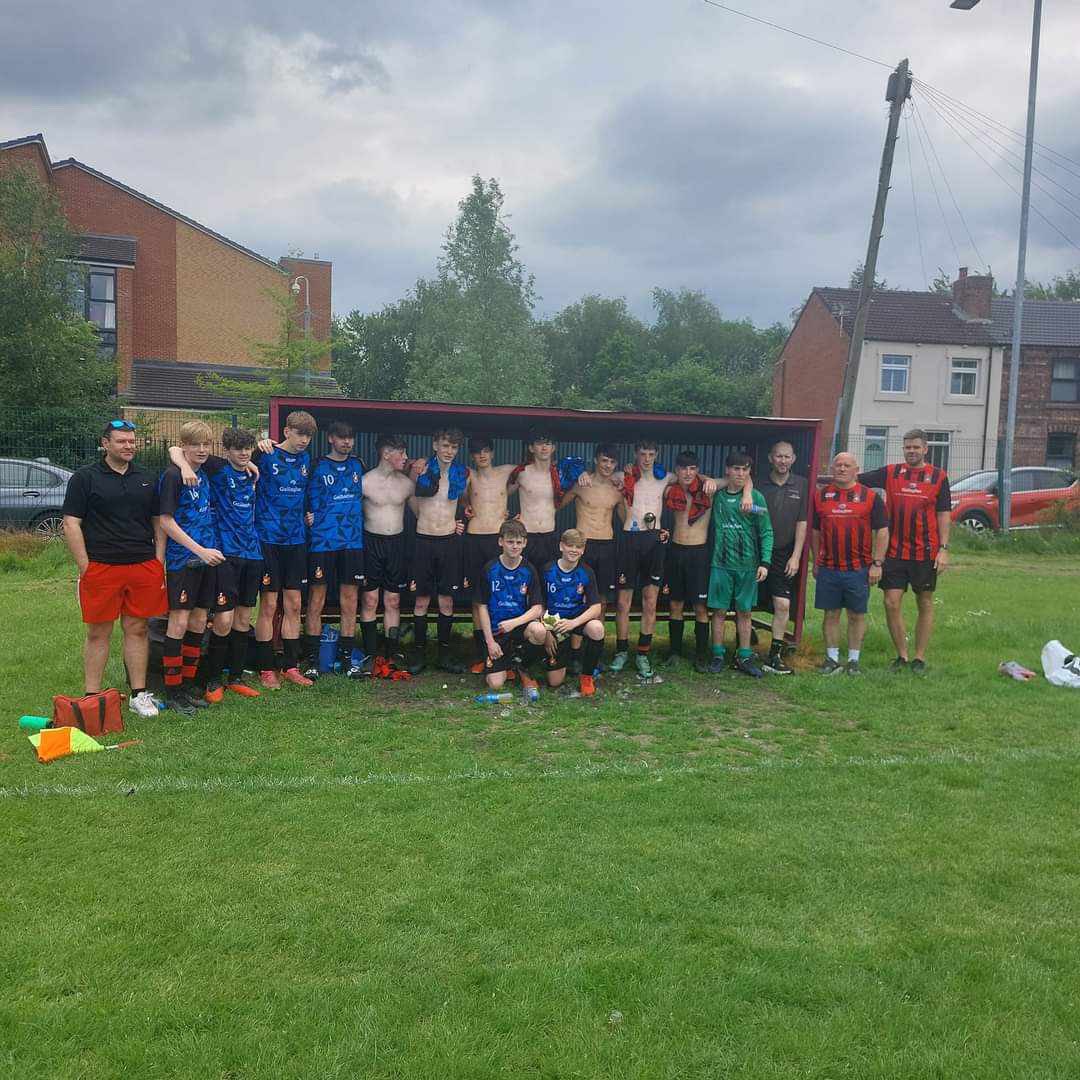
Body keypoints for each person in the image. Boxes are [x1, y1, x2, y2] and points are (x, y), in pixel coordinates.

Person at [62, 419, 167, 719]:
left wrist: (158, 560)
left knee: (138, 628)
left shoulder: (147, 478)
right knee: (99, 632)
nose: (129, 446)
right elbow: (71, 523)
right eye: (121, 441)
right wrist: (85, 566)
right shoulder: (85, 478)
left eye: (132, 441)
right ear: (105, 443)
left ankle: (138, 694)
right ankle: (91, 697)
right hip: (102, 567)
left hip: (142, 566)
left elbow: (158, 521)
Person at [169, 427, 263, 702]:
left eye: (247, 448)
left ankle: (235, 676)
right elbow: (176, 449)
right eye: (238, 449)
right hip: (224, 553)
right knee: (223, 618)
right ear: (226, 451)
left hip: (253, 552)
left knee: (244, 618)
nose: (244, 453)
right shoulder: (216, 467)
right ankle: (213, 679)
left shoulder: (252, 470)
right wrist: (184, 465)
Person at [859, 429, 951, 674]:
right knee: (891, 602)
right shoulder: (891, 472)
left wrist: (943, 549)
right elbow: (855, 479)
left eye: (916, 447)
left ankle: (919, 658)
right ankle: (901, 655)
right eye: (908, 447)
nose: (911, 451)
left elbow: (943, 514)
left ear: (925, 449)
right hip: (894, 552)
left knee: (924, 602)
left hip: (925, 552)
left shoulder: (939, 477)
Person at [155, 420, 226, 713]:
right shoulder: (173, 476)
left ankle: (188, 684)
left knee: (199, 621)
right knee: (179, 622)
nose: (201, 450)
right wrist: (199, 550)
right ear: (184, 446)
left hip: (207, 560)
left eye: (206, 444)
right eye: (194, 444)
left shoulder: (205, 470)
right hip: (184, 560)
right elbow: (165, 521)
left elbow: (238, 457)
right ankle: (172, 691)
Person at [253, 411, 317, 689]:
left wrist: (307, 513)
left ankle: (291, 665)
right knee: (268, 605)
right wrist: (258, 443)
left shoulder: (305, 460)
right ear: (287, 431)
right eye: (300, 434)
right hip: (268, 540)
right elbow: (237, 461)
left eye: (309, 436)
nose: (304, 440)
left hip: (296, 541)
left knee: (293, 604)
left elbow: (304, 494)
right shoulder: (265, 454)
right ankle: (266, 668)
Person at [811, 452, 889, 674]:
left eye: (847, 465)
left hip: (858, 568)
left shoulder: (871, 497)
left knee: (856, 614)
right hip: (829, 567)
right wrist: (815, 560)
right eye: (838, 465)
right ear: (832, 468)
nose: (842, 469)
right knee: (831, 614)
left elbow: (882, 531)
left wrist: (877, 563)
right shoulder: (821, 496)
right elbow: (815, 532)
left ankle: (854, 661)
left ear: (856, 470)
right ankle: (832, 659)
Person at [301, 421, 366, 680]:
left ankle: (348, 661)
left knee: (350, 600)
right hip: (322, 543)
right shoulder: (316, 465)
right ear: (330, 439)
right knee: (316, 600)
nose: (347, 442)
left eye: (350, 438)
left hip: (352, 543)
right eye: (342, 438)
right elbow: (300, 497)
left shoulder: (358, 465)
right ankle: (313, 661)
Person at [707, 451, 773, 678]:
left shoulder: (756, 498)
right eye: (736, 469)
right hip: (721, 565)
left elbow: (766, 529)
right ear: (727, 470)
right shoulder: (718, 495)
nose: (741, 473)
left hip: (747, 566)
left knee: (744, 613)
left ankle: (744, 656)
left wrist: (765, 562)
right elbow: (704, 481)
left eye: (745, 469)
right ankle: (717, 655)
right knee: (719, 612)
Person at [408, 427, 468, 674]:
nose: (449, 451)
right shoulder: (421, 469)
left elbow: (463, 500)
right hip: (423, 540)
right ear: (435, 445)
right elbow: (409, 495)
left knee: (446, 600)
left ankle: (444, 654)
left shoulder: (461, 473)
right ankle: (419, 654)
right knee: (421, 599)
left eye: (453, 447)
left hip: (448, 542)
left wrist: (460, 519)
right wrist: (421, 517)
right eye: (445, 445)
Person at [560, 443, 625, 667]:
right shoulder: (582, 483)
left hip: (606, 545)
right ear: (596, 459)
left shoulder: (617, 489)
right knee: (580, 597)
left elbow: (627, 521)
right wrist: (574, 475)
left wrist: (626, 489)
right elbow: (556, 504)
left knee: (602, 601)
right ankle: (576, 654)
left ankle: (595, 651)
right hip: (583, 546)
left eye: (612, 462)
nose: (607, 465)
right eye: (604, 460)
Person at [611, 439, 670, 679]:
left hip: (654, 540)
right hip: (629, 539)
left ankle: (643, 653)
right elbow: (600, 474)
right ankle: (622, 651)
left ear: (657, 455)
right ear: (636, 454)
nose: (647, 458)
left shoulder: (665, 477)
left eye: (651, 454)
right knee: (623, 602)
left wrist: (746, 486)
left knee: (649, 601)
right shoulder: (623, 476)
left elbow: (700, 479)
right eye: (643, 453)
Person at [359, 434, 416, 669]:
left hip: (397, 545)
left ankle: (392, 653)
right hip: (370, 542)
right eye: (400, 453)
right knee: (370, 599)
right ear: (386, 454)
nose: (405, 457)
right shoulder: (364, 482)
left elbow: (422, 513)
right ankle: (371, 653)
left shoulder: (406, 484)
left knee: (393, 600)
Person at [475, 519, 546, 694]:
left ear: (525, 543)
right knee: (495, 684)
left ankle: (522, 667)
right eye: (510, 542)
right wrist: (490, 642)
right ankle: (506, 663)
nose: (514, 546)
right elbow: (481, 607)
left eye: (518, 542)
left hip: (519, 628)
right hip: (497, 631)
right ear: (501, 542)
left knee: (539, 630)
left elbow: (537, 608)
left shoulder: (529, 569)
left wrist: (515, 622)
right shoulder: (489, 569)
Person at [756, 440, 809, 675]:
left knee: (783, 604)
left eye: (787, 457)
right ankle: (742, 649)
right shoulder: (757, 483)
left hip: (784, 554)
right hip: (756, 552)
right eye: (779, 456)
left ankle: (774, 655)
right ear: (770, 458)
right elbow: (749, 509)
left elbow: (803, 522)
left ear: (794, 459)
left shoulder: (802, 484)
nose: (783, 461)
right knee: (745, 603)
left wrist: (796, 556)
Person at [464, 435, 516, 670]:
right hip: (475, 538)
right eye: (477, 452)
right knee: (479, 598)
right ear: (472, 456)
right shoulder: (468, 475)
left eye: (485, 450)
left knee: (503, 596)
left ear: (492, 453)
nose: (482, 455)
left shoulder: (506, 472)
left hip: (498, 540)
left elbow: (536, 469)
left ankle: (508, 648)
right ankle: (480, 652)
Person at [661, 449, 713, 673]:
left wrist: (709, 479)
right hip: (676, 550)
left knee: (701, 606)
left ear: (698, 470)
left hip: (699, 552)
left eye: (692, 468)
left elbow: (738, 479)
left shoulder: (708, 488)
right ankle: (675, 651)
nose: (688, 473)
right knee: (675, 604)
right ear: (677, 470)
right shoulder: (670, 490)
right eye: (683, 468)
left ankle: (701, 654)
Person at [540, 529, 605, 697]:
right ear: (561, 546)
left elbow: (596, 607)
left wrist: (574, 623)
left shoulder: (586, 572)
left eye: (578, 547)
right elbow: (538, 605)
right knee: (554, 682)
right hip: (554, 623)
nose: (574, 550)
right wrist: (546, 631)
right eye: (570, 545)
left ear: (583, 550)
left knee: (597, 628)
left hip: (575, 620)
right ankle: (554, 657)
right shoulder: (547, 570)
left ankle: (587, 676)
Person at [507, 428, 563, 572]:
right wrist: (505, 517)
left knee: (548, 583)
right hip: (527, 535)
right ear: (531, 448)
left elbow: (582, 480)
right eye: (539, 443)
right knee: (524, 582)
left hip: (550, 535)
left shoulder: (559, 474)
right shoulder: (521, 473)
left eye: (548, 444)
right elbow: (501, 494)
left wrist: (583, 474)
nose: (544, 447)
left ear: (553, 448)